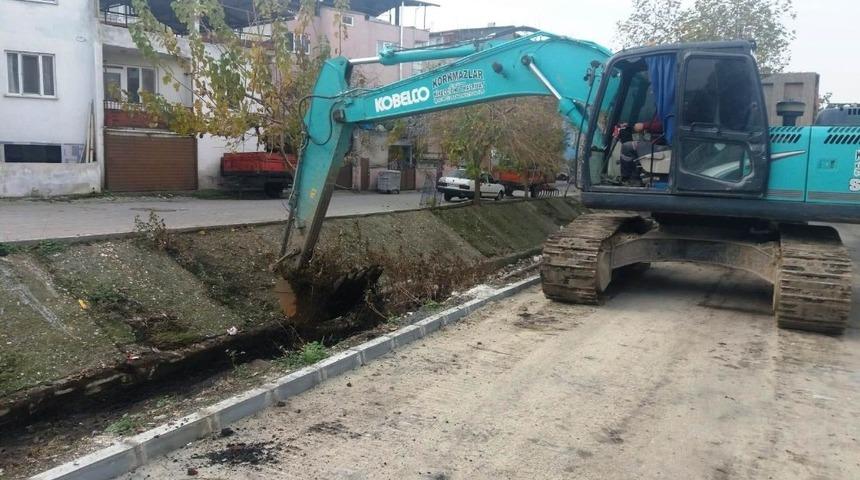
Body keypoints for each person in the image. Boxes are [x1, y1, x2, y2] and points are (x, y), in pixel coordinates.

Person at [618, 116, 669, 186]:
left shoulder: (671, 108)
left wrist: (644, 126)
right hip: (659, 143)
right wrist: (631, 125)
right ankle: (634, 178)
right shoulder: (662, 109)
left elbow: (667, 125)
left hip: (666, 146)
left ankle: (628, 180)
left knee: (627, 147)